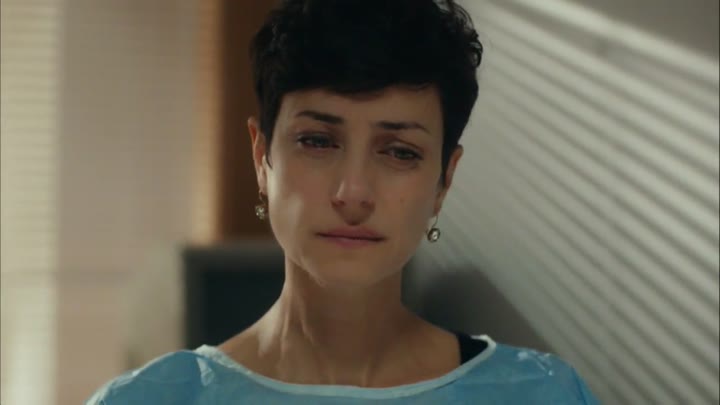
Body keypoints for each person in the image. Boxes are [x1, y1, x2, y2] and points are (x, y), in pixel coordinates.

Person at [87, 0, 600, 403]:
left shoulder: (542, 395)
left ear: (444, 181)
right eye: (317, 141)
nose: (352, 193)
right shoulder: (148, 400)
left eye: (399, 152)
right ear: (262, 157)